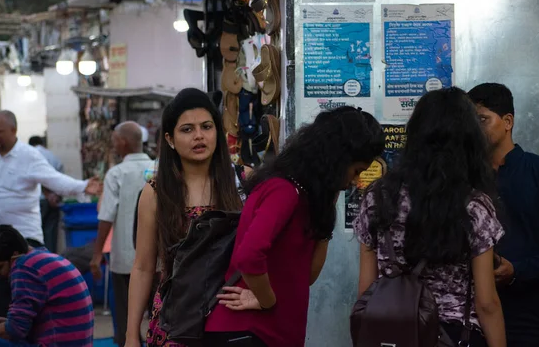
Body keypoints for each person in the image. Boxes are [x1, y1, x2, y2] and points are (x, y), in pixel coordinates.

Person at [205, 106, 385, 347]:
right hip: (249, 332)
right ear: (335, 160)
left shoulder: (304, 199)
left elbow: (306, 276)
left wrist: (326, 208)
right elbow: (248, 256)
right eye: (355, 171)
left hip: (273, 335)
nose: (353, 182)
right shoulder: (283, 191)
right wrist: (266, 300)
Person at [355, 88, 506, 347]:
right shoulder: (474, 206)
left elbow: (366, 289)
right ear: (469, 142)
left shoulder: (377, 198)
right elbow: (486, 303)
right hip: (454, 335)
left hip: (391, 333)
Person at [126, 88, 244, 347]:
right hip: (175, 323)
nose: (199, 136)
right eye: (187, 129)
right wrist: (130, 334)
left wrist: (263, 297)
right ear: (169, 139)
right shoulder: (155, 193)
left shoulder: (244, 182)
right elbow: (144, 266)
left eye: (206, 126)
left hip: (234, 321)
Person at [468, 83, 539, 347]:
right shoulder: (464, 181)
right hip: (471, 323)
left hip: (532, 322)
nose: (475, 129)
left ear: (508, 121)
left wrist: (518, 270)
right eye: (470, 121)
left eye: (482, 119)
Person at [0, 110, 101, 316]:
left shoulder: (28, 155)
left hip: (24, 241)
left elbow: (54, 179)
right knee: (1, 299)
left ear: (14, 130)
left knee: (26, 301)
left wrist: (82, 186)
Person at [90, 121, 153, 347]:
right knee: (160, 316)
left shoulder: (117, 173)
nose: (113, 144)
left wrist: (97, 254)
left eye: (115, 139)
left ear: (123, 142)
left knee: (127, 321)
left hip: (126, 259)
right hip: (158, 258)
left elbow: (106, 216)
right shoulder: (158, 168)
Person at [0, 225, 94, 346]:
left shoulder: (25, 267)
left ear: (15, 254)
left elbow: (16, 330)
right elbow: (23, 323)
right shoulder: (43, 258)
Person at [29, 135, 64, 253]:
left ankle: (37, 264)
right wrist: (55, 196)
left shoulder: (30, 155)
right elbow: (61, 179)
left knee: (35, 236)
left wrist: (46, 194)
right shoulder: (53, 156)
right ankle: (51, 263)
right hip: (53, 201)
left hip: (37, 201)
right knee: (51, 235)